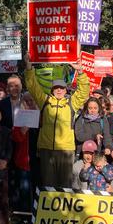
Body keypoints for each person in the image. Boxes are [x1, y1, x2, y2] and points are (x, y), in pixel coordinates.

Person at [24, 54, 89, 188]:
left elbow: (83, 91)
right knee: (48, 184)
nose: (59, 90)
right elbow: (32, 87)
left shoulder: (72, 102)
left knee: (65, 184)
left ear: (65, 89)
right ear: (52, 90)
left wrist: (80, 71)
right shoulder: (45, 101)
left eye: (61, 88)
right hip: (46, 149)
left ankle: (64, 209)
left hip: (66, 150)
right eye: (56, 88)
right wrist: (29, 67)